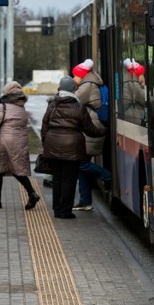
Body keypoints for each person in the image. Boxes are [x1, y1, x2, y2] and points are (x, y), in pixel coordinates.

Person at [40, 76, 106, 219]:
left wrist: (47, 144)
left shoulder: (52, 106)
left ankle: (57, 210)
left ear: (59, 88)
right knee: (69, 180)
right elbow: (89, 130)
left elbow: (44, 128)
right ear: (73, 89)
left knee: (57, 179)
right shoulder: (79, 107)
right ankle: (65, 211)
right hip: (73, 149)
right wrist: (104, 131)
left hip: (53, 148)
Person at [0, 81, 40, 210]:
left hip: (4, 142)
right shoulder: (21, 107)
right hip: (20, 141)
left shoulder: (2, 106)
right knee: (17, 169)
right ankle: (31, 192)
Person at [71, 59, 111, 211]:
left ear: (81, 74)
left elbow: (71, 100)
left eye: (75, 75)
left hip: (91, 127)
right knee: (82, 165)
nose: (74, 77)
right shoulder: (90, 83)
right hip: (91, 126)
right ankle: (85, 201)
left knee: (81, 163)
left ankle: (106, 175)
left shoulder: (87, 86)